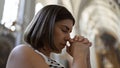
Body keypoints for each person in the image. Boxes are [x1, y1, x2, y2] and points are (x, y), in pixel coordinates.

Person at [6, 5, 92, 68]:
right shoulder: (22, 52)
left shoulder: (52, 62)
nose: (68, 38)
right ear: (47, 26)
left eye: (69, 32)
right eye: (64, 30)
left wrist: (86, 56)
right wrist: (79, 56)